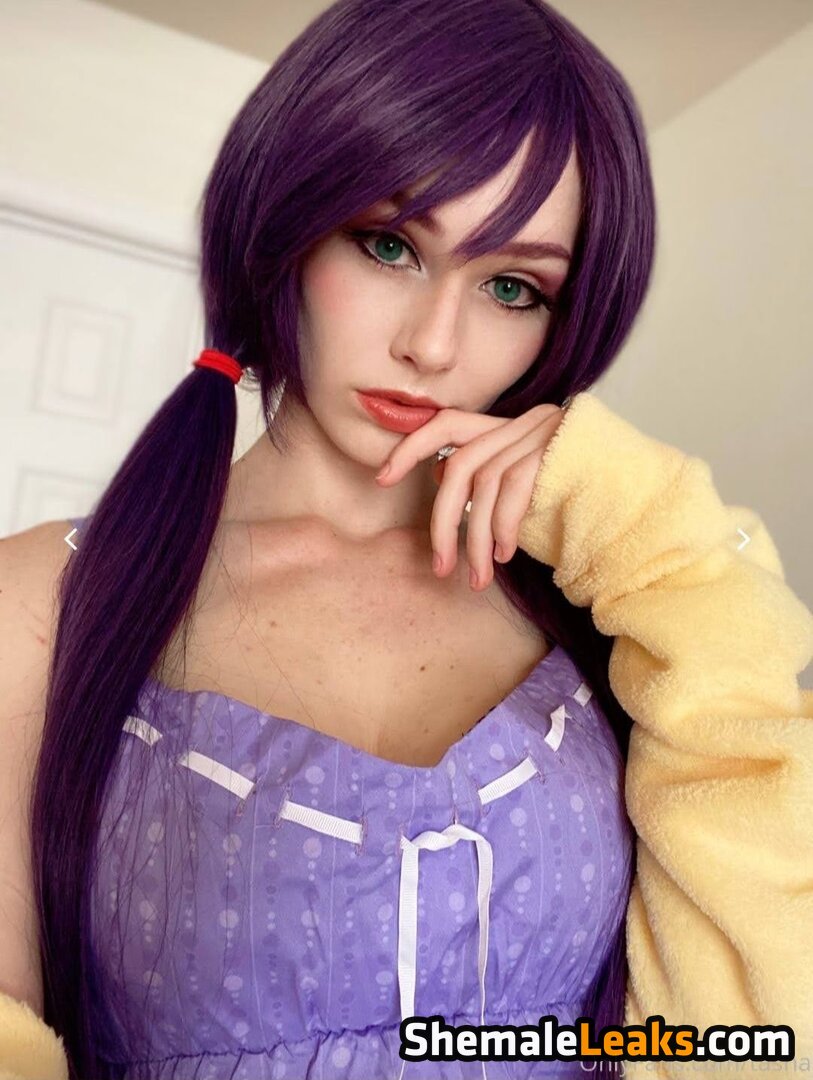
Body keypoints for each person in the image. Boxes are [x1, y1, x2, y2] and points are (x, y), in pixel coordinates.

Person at [1, 0, 811, 1077]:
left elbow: (757, 1017)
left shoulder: (618, 606)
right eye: (388, 245)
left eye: (511, 287)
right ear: (284, 226)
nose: (433, 345)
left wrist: (641, 525)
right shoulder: (42, 604)